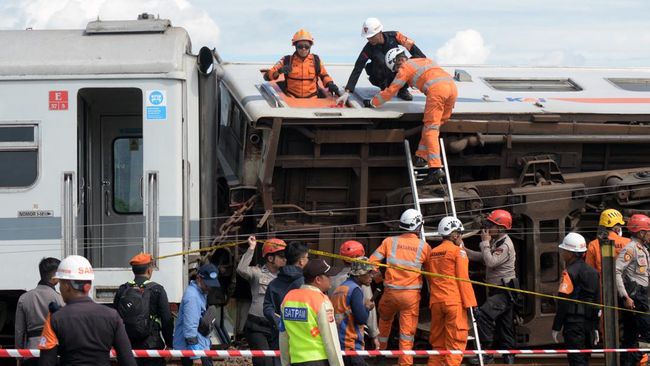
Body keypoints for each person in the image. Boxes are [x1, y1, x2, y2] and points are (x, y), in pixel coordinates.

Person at [365, 47, 457, 185]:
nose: (396, 71)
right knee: (433, 126)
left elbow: (391, 91)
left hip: (437, 91)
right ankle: (421, 156)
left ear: (397, 61)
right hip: (452, 89)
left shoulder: (405, 68)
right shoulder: (422, 60)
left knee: (431, 129)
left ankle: (435, 168)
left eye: (395, 68)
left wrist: (373, 102)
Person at [38, 255, 136, 366]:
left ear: (67, 286)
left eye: (60, 284)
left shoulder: (54, 319)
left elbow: (46, 362)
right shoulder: (113, 316)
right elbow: (127, 360)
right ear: (88, 285)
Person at [369, 208, 431, 366]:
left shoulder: (389, 241)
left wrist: (378, 279)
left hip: (390, 293)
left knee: (384, 322)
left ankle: (380, 355)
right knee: (407, 333)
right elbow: (432, 273)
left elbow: (371, 263)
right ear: (418, 226)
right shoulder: (424, 247)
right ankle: (405, 362)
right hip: (410, 297)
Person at [465, 210, 517, 365]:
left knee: (483, 315)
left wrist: (485, 242)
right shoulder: (497, 241)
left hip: (503, 290)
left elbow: (490, 262)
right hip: (500, 290)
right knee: (505, 325)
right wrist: (463, 249)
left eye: (491, 225)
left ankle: (487, 354)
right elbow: (482, 256)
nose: (487, 227)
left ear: (500, 228)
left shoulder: (505, 245)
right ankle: (509, 357)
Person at [425, 216, 477, 366]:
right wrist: (471, 304)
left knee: (438, 344)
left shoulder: (432, 253)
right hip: (453, 302)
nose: (460, 237)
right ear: (454, 235)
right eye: (459, 234)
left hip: (436, 303)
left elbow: (430, 278)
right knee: (455, 343)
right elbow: (463, 279)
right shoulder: (458, 252)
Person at [337, 17, 426, 104]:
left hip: (399, 74)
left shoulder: (396, 36)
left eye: (372, 37)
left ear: (379, 32)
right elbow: (358, 67)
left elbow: (418, 54)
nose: (369, 40)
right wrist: (347, 92)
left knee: (405, 62)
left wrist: (411, 65)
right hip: (382, 77)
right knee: (379, 61)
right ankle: (385, 89)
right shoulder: (368, 48)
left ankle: (402, 90)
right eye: (367, 37)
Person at [280, 259, 344, 366]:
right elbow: (331, 339)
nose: (330, 279)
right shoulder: (321, 300)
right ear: (318, 279)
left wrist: (285, 363)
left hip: (296, 360)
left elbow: (283, 335)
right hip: (319, 359)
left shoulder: (288, 297)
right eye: (328, 276)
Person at [113, 253, 174, 366]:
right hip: (152, 347)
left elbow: (114, 320)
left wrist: (116, 346)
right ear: (149, 270)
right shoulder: (157, 290)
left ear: (133, 271)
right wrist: (170, 344)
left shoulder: (122, 290)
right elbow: (167, 320)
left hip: (128, 347)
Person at [551, 233, 600, 366]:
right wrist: (595, 326)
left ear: (570, 253)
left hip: (573, 324)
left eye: (564, 250)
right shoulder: (593, 272)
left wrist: (556, 326)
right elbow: (597, 301)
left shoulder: (569, 272)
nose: (562, 253)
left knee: (576, 360)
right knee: (585, 359)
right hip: (589, 324)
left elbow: (563, 302)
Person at [237, 236, 287, 366]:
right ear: (270, 258)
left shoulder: (286, 278)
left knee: (278, 361)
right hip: (257, 326)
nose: (284, 259)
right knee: (264, 361)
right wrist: (251, 248)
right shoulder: (257, 273)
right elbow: (241, 269)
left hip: (277, 327)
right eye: (281, 256)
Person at [328, 241, 380, 349]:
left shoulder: (332, 281)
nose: (370, 276)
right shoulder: (360, 283)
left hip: (335, 334)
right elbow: (366, 313)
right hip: (352, 337)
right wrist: (374, 335)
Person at [615, 214, 650, 366]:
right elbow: (616, 271)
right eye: (648, 231)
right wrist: (625, 296)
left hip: (641, 295)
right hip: (636, 298)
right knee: (647, 330)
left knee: (630, 336)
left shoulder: (642, 249)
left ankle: (629, 362)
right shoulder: (630, 248)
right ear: (641, 232)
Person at [15, 257, 63, 366]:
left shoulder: (24, 298)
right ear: (54, 275)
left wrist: (18, 356)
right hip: (54, 351)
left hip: (31, 352)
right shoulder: (60, 299)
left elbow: (19, 331)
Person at [264, 29, 340, 99]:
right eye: (300, 46)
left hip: (313, 99)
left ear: (310, 47)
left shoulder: (316, 60)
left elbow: (324, 75)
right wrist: (279, 71)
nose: (303, 49)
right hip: (292, 98)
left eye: (306, 46)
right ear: (295, 47)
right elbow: (267, 77)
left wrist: (330, 84)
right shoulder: (286, 60)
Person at [173, 263, 222, 366]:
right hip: (195, 351)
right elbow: (190, 328)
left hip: (199, 347)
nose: (209, 287)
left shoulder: (199, 293)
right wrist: (196, 357)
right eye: (207, 284)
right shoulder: (192, 297)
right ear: (199, 278)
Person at [331, 258, 377, 366]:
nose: (372, 276)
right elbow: (361, 319)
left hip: (339, 342)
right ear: (359, 274)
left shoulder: (341, 288)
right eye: (369, 273)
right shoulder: (355, 290)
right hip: (350, 344)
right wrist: (367, 307)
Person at [263, 241, 310, 330]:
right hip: (302, 335)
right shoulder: (306, 283)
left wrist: (281, 324)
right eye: (307, 258)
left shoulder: (274, 283)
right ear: (301, 261)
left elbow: (267, 309)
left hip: (279, 336)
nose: (308, 261)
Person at [585, 208, 630, 275]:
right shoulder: (628, 242)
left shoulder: (593, 244)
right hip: (624, 284)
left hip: (601, 284)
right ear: (618, 229)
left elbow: (589, 271)